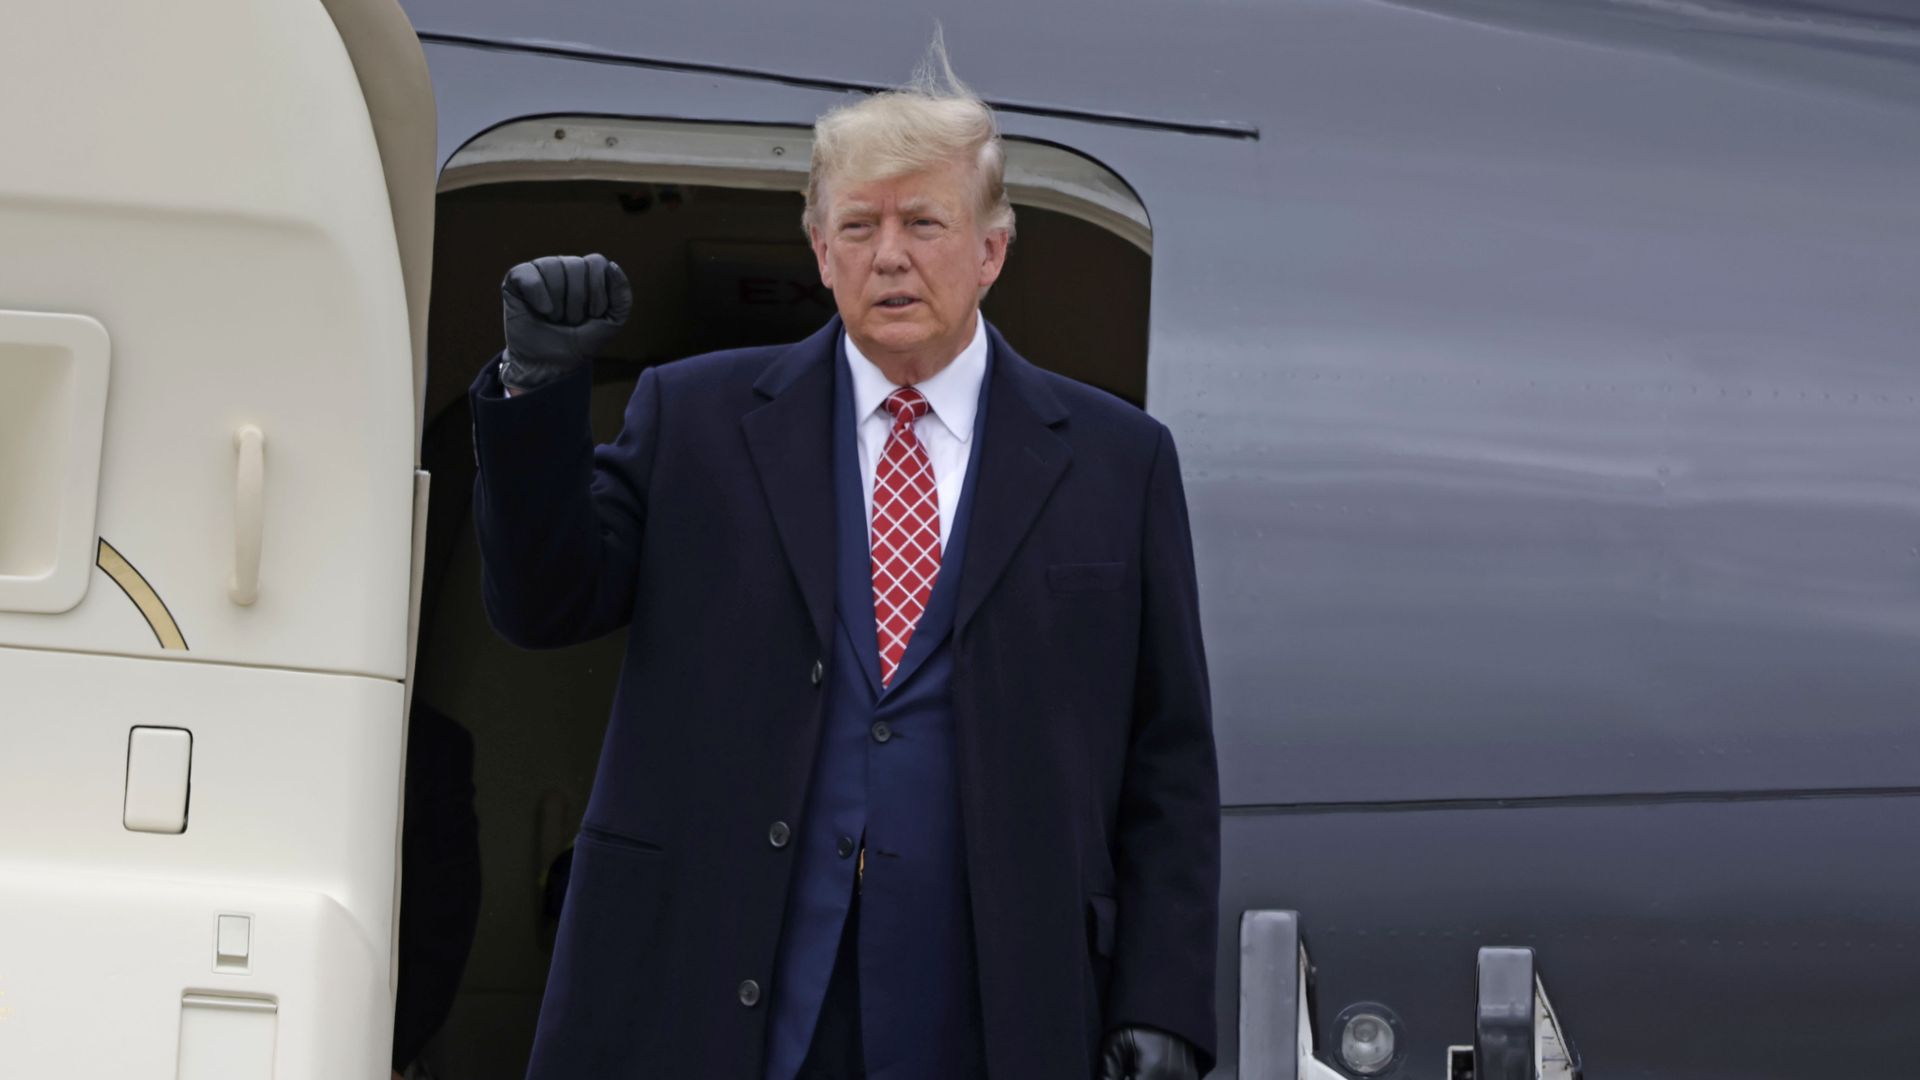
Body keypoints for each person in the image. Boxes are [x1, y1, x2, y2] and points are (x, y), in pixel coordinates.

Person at [468, 45, 1218, 1080]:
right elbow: (543, 603)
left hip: (999, 1004)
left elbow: (1168, 760)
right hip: (723, 990)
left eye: (925, 224)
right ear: (820, 252)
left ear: (992, 250)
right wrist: (537, 388)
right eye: (859, 227)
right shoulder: (695, 418)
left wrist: (1162, 999)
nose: (890, 256)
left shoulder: (1118, 461)